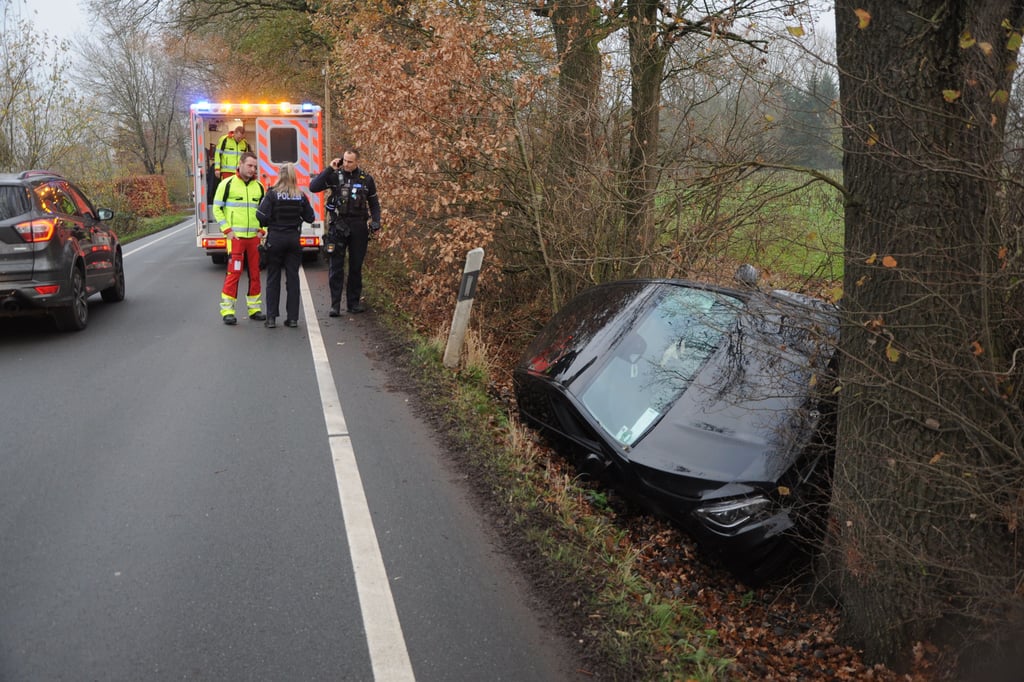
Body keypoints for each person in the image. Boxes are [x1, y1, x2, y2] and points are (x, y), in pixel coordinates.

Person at [310, 148, 381, 315]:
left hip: (359, 226)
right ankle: (335, 305)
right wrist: (329, 168)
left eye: (350, 161)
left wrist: (376, 222)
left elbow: (374, 204)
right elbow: (314, 187)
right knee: (336, 267)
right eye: (345, 160)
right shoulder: (335, 176)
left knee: (356, 267)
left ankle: (353, 303)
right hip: (338, 225)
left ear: (357, 162)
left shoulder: (366, 179)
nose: (346, 164)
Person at [256, 163, 314, 329]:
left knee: (273, 278)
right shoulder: (301, 195)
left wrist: (270, 221)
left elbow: (261, 216)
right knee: (293, 279)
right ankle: (293, 318)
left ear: (280, 176)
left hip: (275, 240)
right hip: (293, 241)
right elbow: (310, 217)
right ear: (294, 176)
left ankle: (271, 318)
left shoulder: (272, 194)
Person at [213, 151, 266, 324]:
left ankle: (255, 309)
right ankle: (228, 311)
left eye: (255, 167)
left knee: (255, 274)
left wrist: (262, 230)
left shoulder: (259, 187)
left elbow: (265, 212)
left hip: (254, 239)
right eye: (250, 165)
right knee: (233, 273)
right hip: (235, 239)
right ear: (240, 163)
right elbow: (217, 209)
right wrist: (227, 230)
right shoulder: (226, 184)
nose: (252, 169)